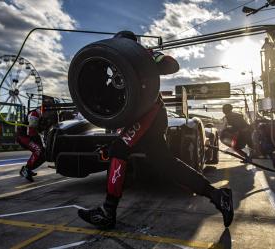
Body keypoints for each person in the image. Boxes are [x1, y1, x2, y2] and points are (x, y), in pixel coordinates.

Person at [78, 31, 234, 229]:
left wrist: (147, 58)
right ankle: (218, 196)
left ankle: (108, 211)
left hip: (150, 113)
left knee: (119, 148)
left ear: (129, 45)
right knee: (165, 163)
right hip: (138, 117)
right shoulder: (113, 66)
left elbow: (172, 65)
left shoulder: (144, 54)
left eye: (121, 45)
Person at [16, 108, 46, 182]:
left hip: (29, 136)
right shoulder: (35, 113)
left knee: (42, 153)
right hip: (24, 137)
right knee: (38, 150)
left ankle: (27, 169)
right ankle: (26, 170)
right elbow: (31, 131)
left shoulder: (41, 114)